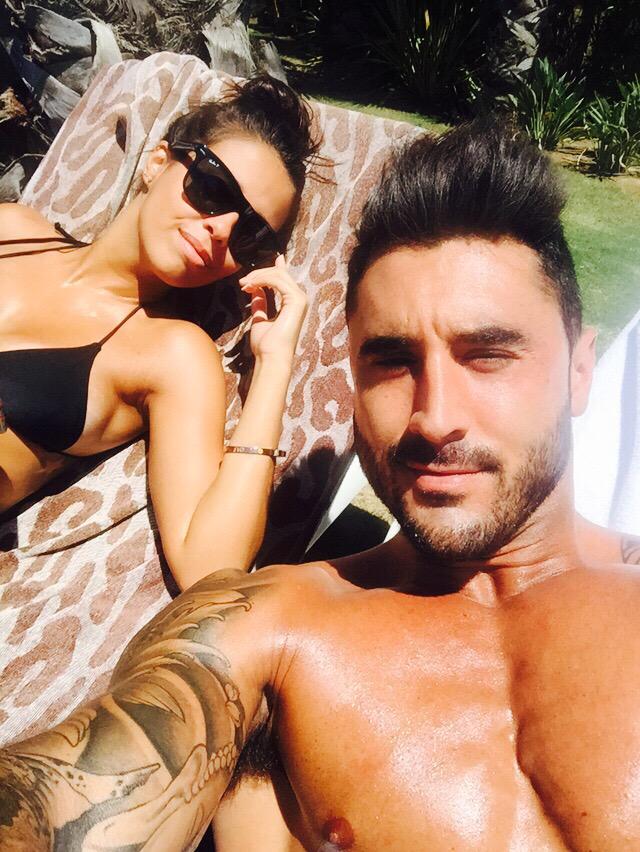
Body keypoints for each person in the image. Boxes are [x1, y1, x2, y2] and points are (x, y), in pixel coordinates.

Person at [3, 119, 640, 852]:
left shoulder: (166, 356)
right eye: (391, 361)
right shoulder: (272, 630)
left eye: (488, 355)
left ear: (581, 372)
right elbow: (71, 794)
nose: (435, 417)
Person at [0, 75, 317, 590]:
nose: (221, 230)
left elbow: (207, 568)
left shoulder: (170, 355)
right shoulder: (12, 229)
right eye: (213, 189)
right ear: (157, 162)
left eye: (250, 233)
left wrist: (275, 365)